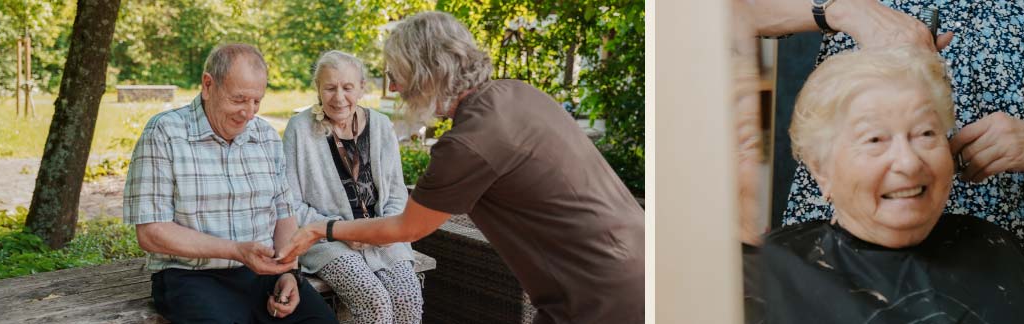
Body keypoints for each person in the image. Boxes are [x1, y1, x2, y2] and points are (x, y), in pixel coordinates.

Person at [742, 0, 1024, 318]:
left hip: (1004, 273)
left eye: (926, 135)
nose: (909, 161)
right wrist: (842, 8)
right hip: (834, 260)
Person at [273, 11, 645, 324]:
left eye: (400, 74)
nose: (397, 87)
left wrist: (324, 228)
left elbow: (404, 226)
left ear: (428, 71)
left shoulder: (468, 143)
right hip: (632, 266)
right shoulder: (518, 93)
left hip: (601, 295)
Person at [744, 47, 1024, 323]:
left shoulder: (994, 249)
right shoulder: (764, 276)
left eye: (926, 134)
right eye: (875, 139)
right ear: (821, 170)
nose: (909, 163)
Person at [124, 43, 338, 324]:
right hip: (192, 278)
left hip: (264, 273)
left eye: (256, 101)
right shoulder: (165, 132)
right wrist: (236, 251)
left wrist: (288, 273)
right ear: (208, 85)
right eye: (238, 100)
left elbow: (284, 214)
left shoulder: (265, 136)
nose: (248, 113)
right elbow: (152, 233)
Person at [282, 51, 422, 324]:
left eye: (347, 87)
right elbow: (289, 204)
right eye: (330, 88)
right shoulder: (299, 129)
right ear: (318, 90)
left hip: (383, 236)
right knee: (374, 301)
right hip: (326, 240)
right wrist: (341, 231)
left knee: (408, 297)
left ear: (361, 88)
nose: (339, 97)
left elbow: (396, 193)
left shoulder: (381, 125)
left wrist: (384, 229)